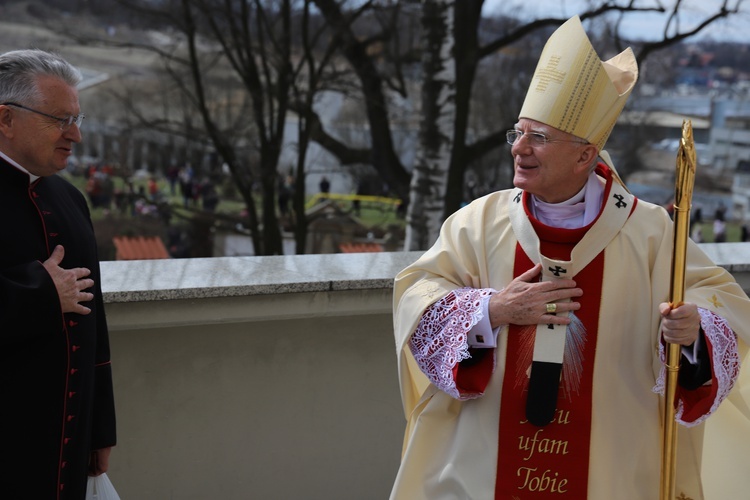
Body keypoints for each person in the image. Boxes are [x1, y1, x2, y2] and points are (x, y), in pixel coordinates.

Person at [391, 17, 750, 500]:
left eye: (538, 137)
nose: (519, 149)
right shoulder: (477, 223)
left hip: (613, 471)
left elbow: (721, 301)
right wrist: (491, 310)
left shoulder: (650, 232)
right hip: (484, 466)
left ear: (585, 156)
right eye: (517, 134)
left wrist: (695, 331)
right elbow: (418, 293)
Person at [0, 49, 116, 499]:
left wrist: (99, 426)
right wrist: (39, 292)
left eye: (77, 118)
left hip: (67, 443)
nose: (76, 135)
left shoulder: (72, 201)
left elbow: (96, 325)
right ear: (6, 118)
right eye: (59, 119)